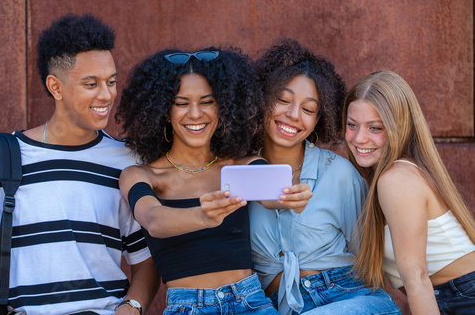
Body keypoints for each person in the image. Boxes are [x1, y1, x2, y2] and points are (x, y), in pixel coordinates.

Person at [0, 13, 160, 315]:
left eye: (111, 82)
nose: (106, 95)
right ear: (56, 87)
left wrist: (132, 307)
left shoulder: (126, 163)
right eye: (91, 84)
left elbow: (147, 261)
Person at [115, 46, 311, 314]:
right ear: (163, 111)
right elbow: (153, 220)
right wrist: (203, 217)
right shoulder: (142, 176)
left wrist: (291, 199)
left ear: (224, 108)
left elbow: (272, 194)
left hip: (250, 302)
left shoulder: (241, 165)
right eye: (182, 103)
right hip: (189, 307)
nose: (195, 114)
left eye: (207, 102)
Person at [249, 38, 401, 315]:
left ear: (320, 118)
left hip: (344, 298)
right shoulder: (237, 175)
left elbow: (370, 262)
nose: (293, 115)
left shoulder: (340, 174)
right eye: (282, 100)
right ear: (262, 100)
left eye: (308, 109)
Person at [343, 70, 475, 314]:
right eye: (352, 125)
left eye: (375, 128)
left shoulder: (396, 178)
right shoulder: (395, 173)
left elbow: (417, 280)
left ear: (399, 127)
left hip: (461, 298)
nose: (360, 138)